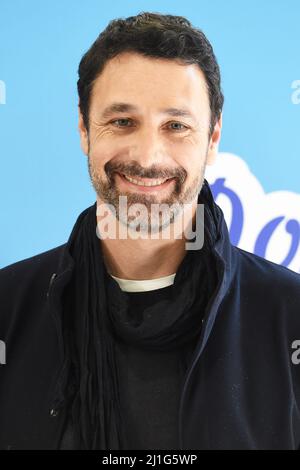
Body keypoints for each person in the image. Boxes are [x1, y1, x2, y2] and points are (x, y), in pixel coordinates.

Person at [0, 11, 300, 451]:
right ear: (84, 129)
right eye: (122, 121)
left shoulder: (289, 315)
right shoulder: (8, 310)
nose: (148, 156)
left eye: (176, 126)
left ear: (213, 137)